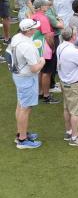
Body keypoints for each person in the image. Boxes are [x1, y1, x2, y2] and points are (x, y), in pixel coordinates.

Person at [9, 18, 46, 148]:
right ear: (28, 30)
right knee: (25, 108)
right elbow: (35, 68)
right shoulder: (27, 46)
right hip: (27, 78)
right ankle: (23, 140)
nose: (36, 29)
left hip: (19, 76)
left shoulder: (17, 37)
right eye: (34, 28)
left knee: (21, 105)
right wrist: (42, 61)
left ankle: (21, 134)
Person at [56, 27, 78, 147]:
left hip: (64, 82)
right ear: (74, 36)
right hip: (73, 84)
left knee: (67, 108)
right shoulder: (73, 51)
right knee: (75, 111)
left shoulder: (61, 46)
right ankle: (74, 137)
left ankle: (69, 131)